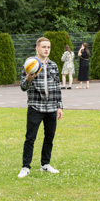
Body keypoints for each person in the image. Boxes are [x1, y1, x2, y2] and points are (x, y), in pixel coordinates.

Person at [19, 37, 63, 177]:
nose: (46, 49)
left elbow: (57, 87)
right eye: (44, 47)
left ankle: (45, 164)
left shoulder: (53, 65)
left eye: (48, 47)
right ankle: (26, 167)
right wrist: (28, 79)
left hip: (51, 108)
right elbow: (23, 87)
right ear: (37, 48)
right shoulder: (29, 64)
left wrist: (59, 106)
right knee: (30, 138)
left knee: (49, 137)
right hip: (35, 106)